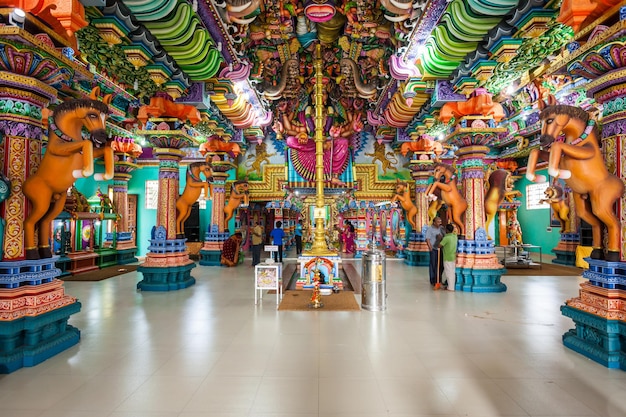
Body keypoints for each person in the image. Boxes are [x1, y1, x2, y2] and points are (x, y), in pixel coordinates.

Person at [438, 224, 458, 291]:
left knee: (448, 273)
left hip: (447, 257)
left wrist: (439, 239)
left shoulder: (446, 238)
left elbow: (439, 246)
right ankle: (451, 286)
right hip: (453, 257)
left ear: (446, 230)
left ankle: (450, 288)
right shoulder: (455, 237)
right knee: (452, 272)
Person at [425, 216, 444, 286]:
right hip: (434, 249)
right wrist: (430, 248)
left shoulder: (441, 229)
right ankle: (433, 280)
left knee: (441, 265)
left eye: (440, 222)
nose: (440, 223)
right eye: (438, 222)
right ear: (434, 222)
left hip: (440, 249)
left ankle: (439, 279)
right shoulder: (430, 229)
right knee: (433, 264)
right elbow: (427, 239)